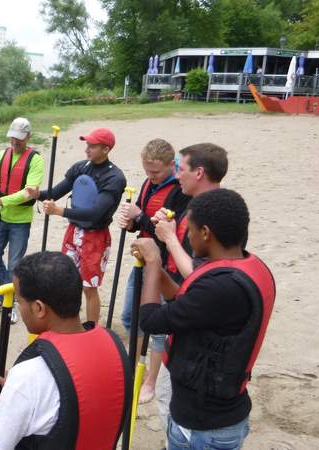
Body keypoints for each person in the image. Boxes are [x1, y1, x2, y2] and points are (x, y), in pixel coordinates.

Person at [134, 188, 275, 450]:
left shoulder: (222, 287)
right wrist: (161, 271)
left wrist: (153, 262)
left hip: (206, 426)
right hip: (212, 415)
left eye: (189, 230)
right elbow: (187, 303)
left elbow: (151, 321)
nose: (187, 236)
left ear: (206, 233)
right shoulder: (244, 267)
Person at [0, 251, 129, 450]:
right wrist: (16, 392)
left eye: (19, 301)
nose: (19, 308)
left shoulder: (27, 377)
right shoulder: (114, 347)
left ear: (39, 308)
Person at [26, 128, 126, 326]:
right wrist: (39, 194)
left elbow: (96, 212)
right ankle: (68, 323)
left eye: (92, 145)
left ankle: (91, 330)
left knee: (89, 287)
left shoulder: (114, 178)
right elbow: (56, 192)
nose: (87, 149)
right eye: (87, 144)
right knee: (68, 280)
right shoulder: (81, 167)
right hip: (74, 232)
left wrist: (59, 211)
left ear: (106, 149)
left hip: (95, 237)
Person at [115, 138, 190, 404]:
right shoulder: (150, 183)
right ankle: (131, 367)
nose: (151, 177)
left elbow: (169, 235)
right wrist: (132, 222)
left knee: (158, 328)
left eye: (156, 172)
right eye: (147, 171)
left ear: (172, 165)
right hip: (143, 261)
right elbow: (145, 224)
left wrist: (140, 217)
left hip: (165, 268)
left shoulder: (181, 192)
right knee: (129, 318)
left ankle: (150, 380)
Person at [0, 118, 44, 324]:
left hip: (20, 221)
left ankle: (12, 303)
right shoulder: (1, 155)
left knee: (14, 266)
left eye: (19, 139)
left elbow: (28, 193)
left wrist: (1, 200)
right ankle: (3, 296)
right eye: (12, 138)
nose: (14, 142)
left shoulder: (35, 160)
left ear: (28, 137)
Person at [153, 143, 228, 278]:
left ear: (199, 173)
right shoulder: (194, 202)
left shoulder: (219, 214)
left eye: (181, 170)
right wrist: (167, 228)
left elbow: (199, 274)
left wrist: (170, 238)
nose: (177, 176)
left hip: (193, 293)